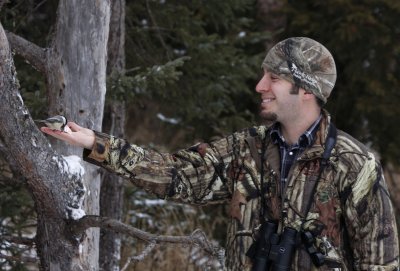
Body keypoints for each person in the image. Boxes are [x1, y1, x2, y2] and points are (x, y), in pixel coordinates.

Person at [42, 37, 399, 271]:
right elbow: (175, 175)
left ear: (305, 89)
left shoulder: (354, 165)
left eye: (272, 78)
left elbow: (381, 263)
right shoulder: (246, 149)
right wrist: (95, 144)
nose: (260, 86)